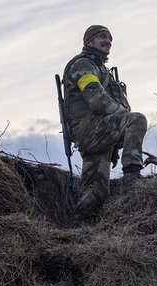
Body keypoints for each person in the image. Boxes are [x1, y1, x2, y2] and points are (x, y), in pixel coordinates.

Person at [62, 25, 147, 221]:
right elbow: (97, 99)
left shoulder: (99, 68)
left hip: (97, 131)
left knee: (95, 191)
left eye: (110, 38)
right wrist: (123, 120)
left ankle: (81, 230)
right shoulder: (83, 65)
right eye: (102, 37)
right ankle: (132, 178)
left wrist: (115, 139)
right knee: (136, 119)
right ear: (89, 42)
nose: (108, 41)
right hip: (91, 130)